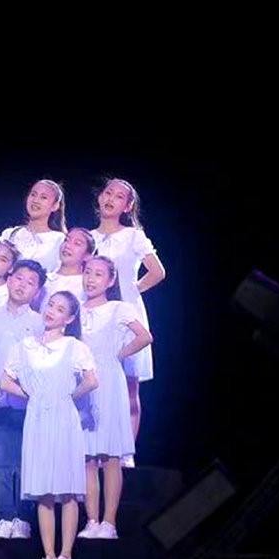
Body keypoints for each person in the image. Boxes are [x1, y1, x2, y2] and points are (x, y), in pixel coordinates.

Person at [2, 291, 98, 559]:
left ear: (69, 319)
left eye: (59, 309)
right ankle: (49, 555)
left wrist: (68, 396)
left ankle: (66, 555)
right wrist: (32, 395)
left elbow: (92, 380)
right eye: (50, 305)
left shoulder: (74, 346)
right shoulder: (25, 346)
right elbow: (4, 381)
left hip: (65, 419)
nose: (51, 311)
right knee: (43, 489)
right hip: (36, 419)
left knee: (67, 489)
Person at [0, 259, 48, 540]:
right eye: (18, 278)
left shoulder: (40, 323)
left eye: (30, 282)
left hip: (28, 404)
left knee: (25, 464)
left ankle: (23, 518)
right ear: (9, 278)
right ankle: (5, 517)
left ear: (37, 291)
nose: (22, 285)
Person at [79, 256, 152, 539]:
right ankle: (91, 520)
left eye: (98, 274)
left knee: (110, 456)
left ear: (110, 280)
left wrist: (117, 354)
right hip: (83, 385)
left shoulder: (119, 308)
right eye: (88, 272)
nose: (91, 279)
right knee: (87, 457)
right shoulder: (76, 309)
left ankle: (109, 522)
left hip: (109, 383)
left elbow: (145, 337)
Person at [90, 178, 166, 450]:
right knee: (94, 382)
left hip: (126, 316)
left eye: (119, 196)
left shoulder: (134, 236)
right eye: (108, 193)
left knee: (129, 386)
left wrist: (132, 290)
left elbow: (157, 272)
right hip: (94, 316)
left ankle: (125, 452)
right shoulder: (88, 237)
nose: (111, 198)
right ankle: (94, 447)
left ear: (127, 206)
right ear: (100, 197)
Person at [0, 179, 68, 273]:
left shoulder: (59, 240)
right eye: (33, 194)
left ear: (55, 206)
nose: (35, 200)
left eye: (43, 197)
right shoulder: (10, 234)